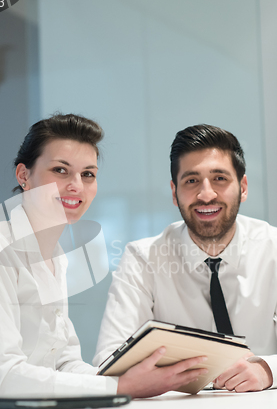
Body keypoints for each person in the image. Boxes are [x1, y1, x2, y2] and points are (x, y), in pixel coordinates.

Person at [0, 113, 208, 400]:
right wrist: (120, 387)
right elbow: (5, 377)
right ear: (24, 176)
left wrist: (130, 378)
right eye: (60, 170)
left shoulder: (57, 257)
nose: (77, 186)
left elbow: (64, 361)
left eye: (88, 174)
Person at [94, 124, 277, 393]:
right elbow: (108, 362)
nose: (206, 194)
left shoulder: (273, 249)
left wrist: (268, 370)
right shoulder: (142, 259)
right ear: (173, 191)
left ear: (243, 187)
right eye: (191, 181)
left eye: (220, 179)